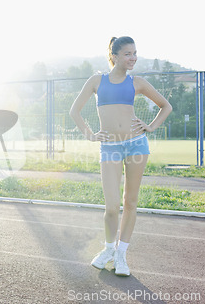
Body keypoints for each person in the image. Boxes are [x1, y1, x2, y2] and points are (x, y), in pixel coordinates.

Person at [69, 36, 172, 276]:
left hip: (136, 145)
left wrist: (151, 127)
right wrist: (91, 135)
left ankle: (122, 256)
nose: (133, 57)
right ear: (114, 55)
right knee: (112, 206)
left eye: (135, 53)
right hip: (110, 147)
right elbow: (75, 110)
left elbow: (165, 106)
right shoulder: (97, 81)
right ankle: (108, 250)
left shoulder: (138, 82)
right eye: (128, 53)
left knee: (130, 202)